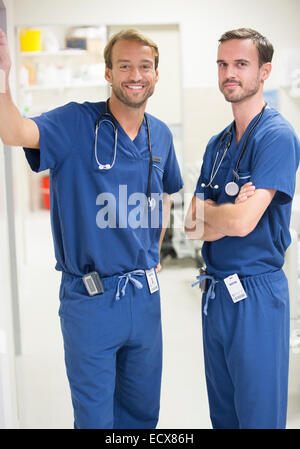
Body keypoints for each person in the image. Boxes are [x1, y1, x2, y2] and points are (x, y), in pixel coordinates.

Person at [0, 28, 183, 429]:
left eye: (145, 66)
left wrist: (153, 251)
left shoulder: (161, 135)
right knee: (95, 418)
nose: (135, 74)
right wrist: (2, 80)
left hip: (145, 298)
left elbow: (166, 193)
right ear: (107, 72)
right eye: (124, 66)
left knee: (142, 415)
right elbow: (14, 131)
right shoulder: (75, 123)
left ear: (156, 74)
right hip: (91, 299)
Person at [185, 28, 300, 429]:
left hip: (255, 295)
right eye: (222, 64)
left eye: (240, 64)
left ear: (264, 71)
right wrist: (224, 213)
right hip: (215, 292)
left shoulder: (277, 137)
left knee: (257, 418)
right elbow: (190, 223)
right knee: (225, 417)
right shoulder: (217, 145)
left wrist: (219, 213)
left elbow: (243, 221)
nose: (228, 73)